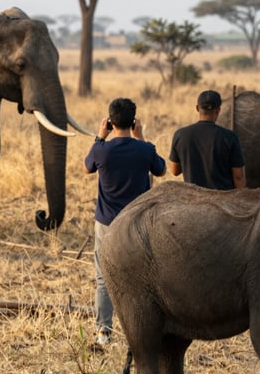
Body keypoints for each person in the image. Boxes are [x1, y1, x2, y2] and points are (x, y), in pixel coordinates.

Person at [84, 97, 166, 348]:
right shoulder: (144, 149)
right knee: (141, 279)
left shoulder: (101, 150)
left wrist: (99, 137)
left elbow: (87, 167)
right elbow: (161, 169)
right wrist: (141, 137)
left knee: (103, 278)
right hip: (137, 223)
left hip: (107, 222)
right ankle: (141, 331)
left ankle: (104, 333)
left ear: (110, 121)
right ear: (134, 122)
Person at [168, 89, 246, 190]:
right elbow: (238, 177)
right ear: (218, 110)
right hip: (223, 201)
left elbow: (174, 171)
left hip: (193, 200)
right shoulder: (230, 137)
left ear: (197, 108)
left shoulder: (180, 135)